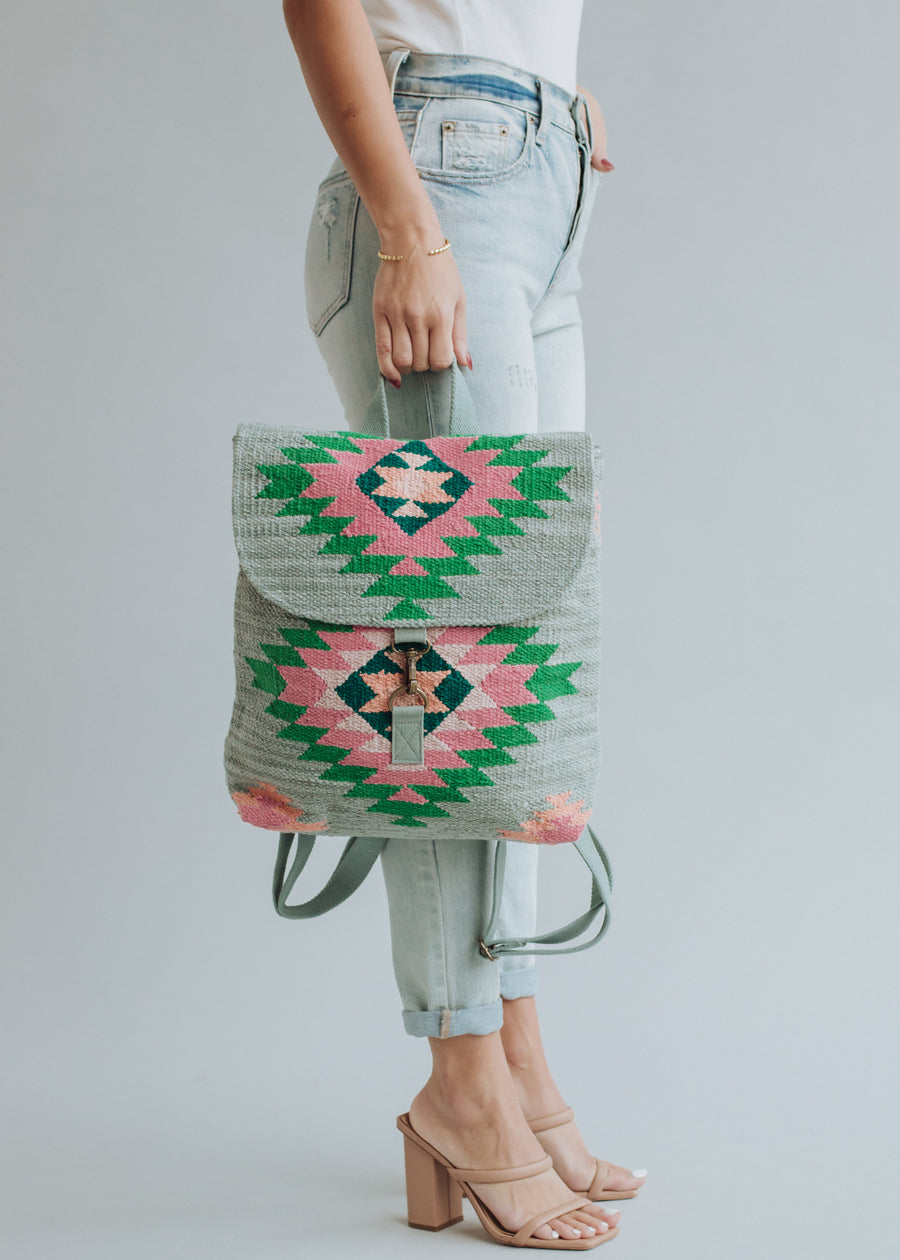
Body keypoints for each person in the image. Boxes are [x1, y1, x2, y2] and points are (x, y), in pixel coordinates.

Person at [280, 1, 647, 1248]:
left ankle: (519, 1055)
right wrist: (406, 222)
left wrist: (554, 89)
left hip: (536, 178)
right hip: (444, 173)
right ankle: (461, 1077)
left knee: (515, 664)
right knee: (443, 660)